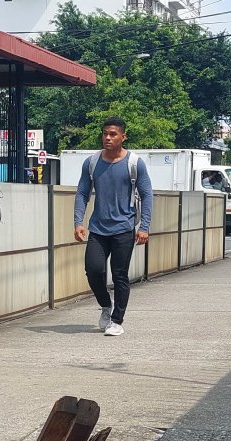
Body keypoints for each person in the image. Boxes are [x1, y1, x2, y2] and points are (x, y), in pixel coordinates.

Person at [74, 117, 154, 337]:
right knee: (93, 270)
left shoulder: (134, 163)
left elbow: (147, 195)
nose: (107, 138)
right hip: (98, 228)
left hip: (124, 228)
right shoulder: (91, 162)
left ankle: (117, 321)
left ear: (122, 137)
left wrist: (144, 226)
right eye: (105, 133)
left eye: (112, 134)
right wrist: (78, 222)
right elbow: (82, 193)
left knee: (120, 275)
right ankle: (105, 305)